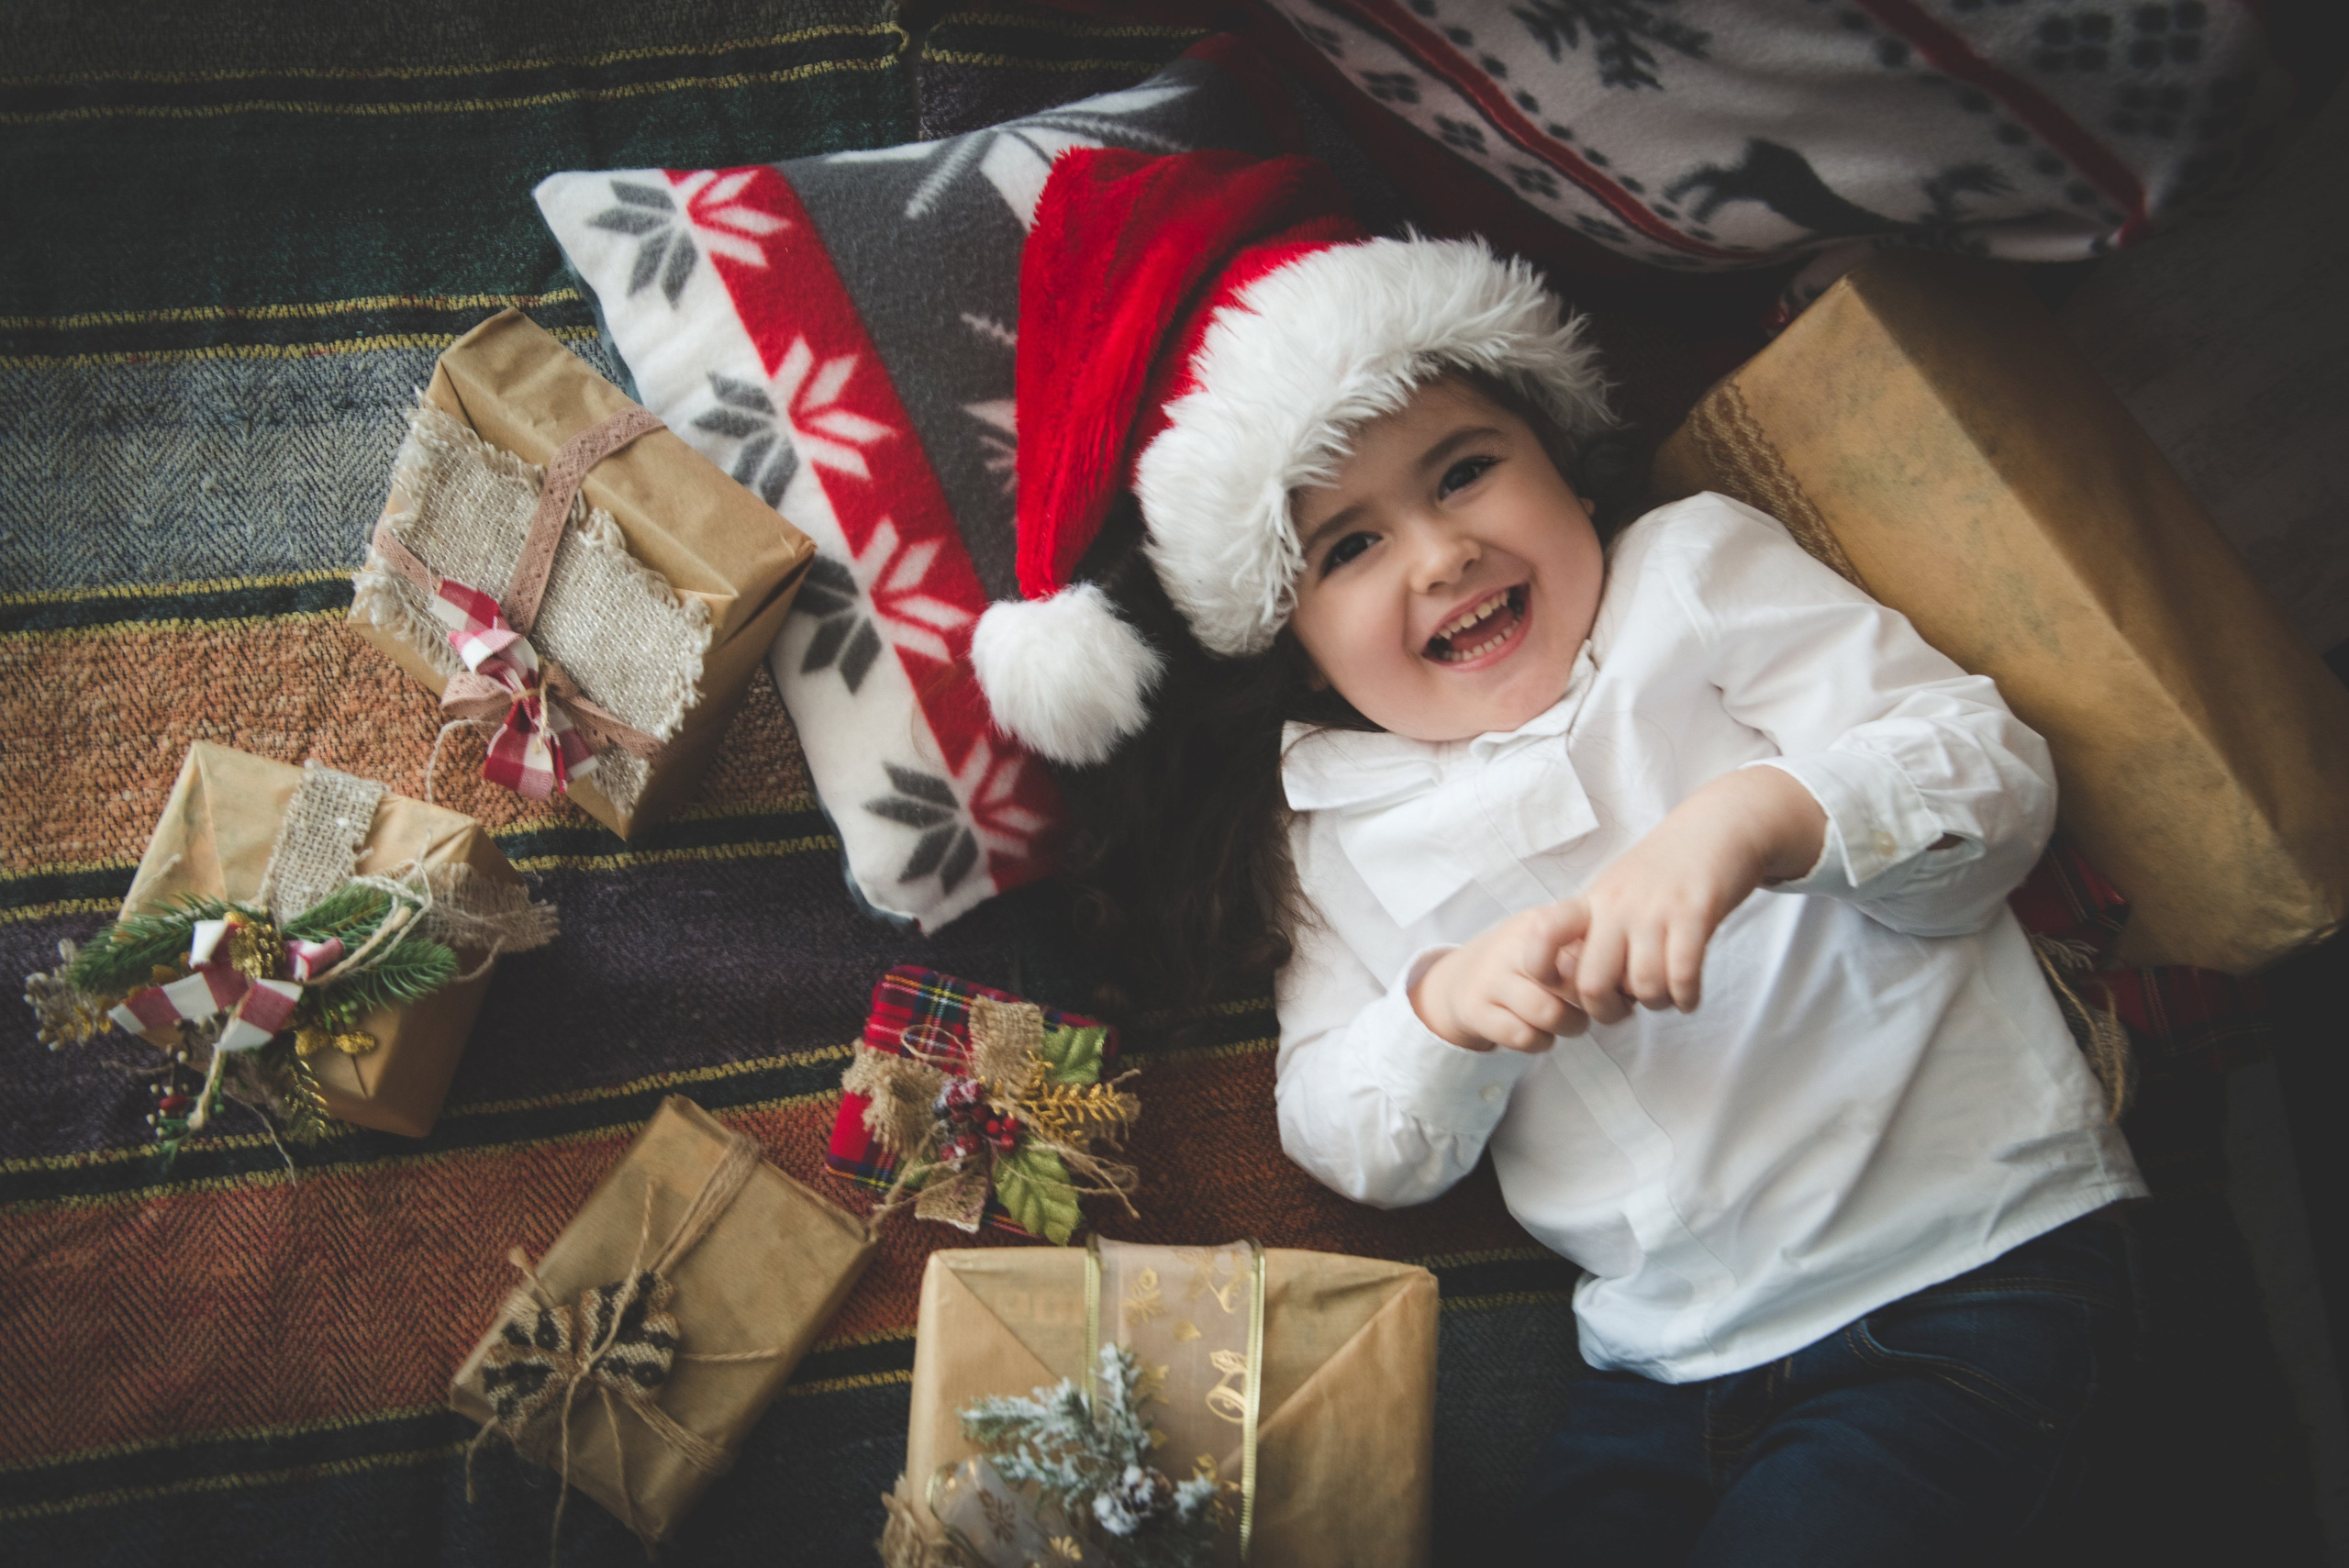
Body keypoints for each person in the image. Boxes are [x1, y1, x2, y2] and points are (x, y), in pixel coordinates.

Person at [969, 145, 2147, 1566]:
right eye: (1349, 548)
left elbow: (1992, 781)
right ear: (1291, 635)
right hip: (1658, 1371)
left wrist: (1760, 818)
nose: (1440, 553)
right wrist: (1440, 1015)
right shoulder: (1325, 819)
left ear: (1562, 460)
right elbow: (1345, 1137)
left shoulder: (1689, 582)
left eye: (1465, 470)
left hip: (1966, 1265)